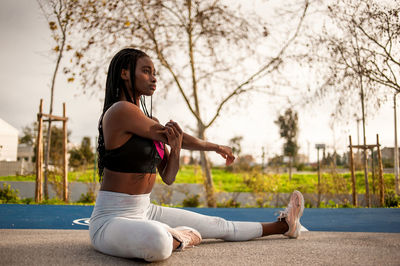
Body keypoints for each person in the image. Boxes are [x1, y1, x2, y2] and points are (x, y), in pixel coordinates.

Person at [89, 48, 305, 262]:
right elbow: (169, 135)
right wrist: (215, 147)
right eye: (146, 71)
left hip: (145, 209)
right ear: (124, 73)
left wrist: (176, 148)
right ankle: (182, 237)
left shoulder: (151, 122)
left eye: (155, 73)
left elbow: (169, 177)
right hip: (111, 219)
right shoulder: (119, 111)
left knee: (219, 225)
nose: (154, 78)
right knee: (157, 242)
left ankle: (285, 225)